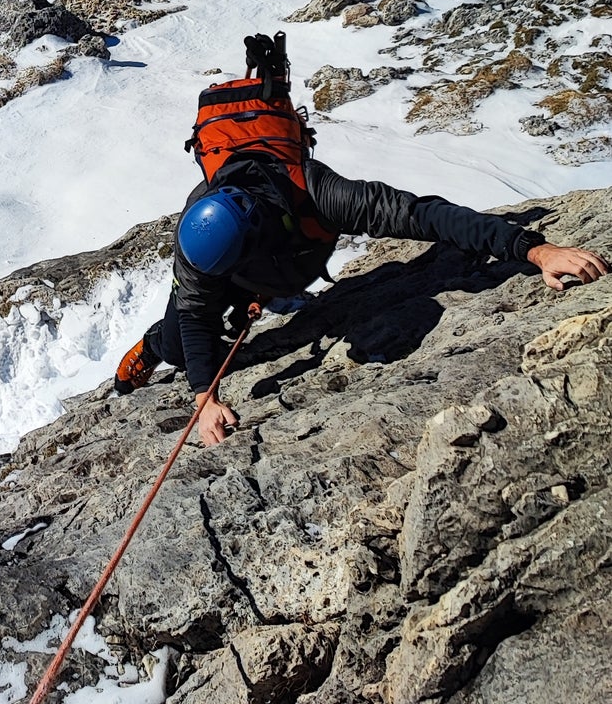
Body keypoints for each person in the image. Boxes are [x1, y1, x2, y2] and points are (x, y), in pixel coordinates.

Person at [114, 34, 609, 447]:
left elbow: (423, 215)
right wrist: (206, 399)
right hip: (246, 273)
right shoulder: (197, 231)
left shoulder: (320, 194)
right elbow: (198, 311)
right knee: (182, 340)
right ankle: (152, 346)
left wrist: (534, 250)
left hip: (271, 266)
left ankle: (263, 291)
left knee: (225, 315)